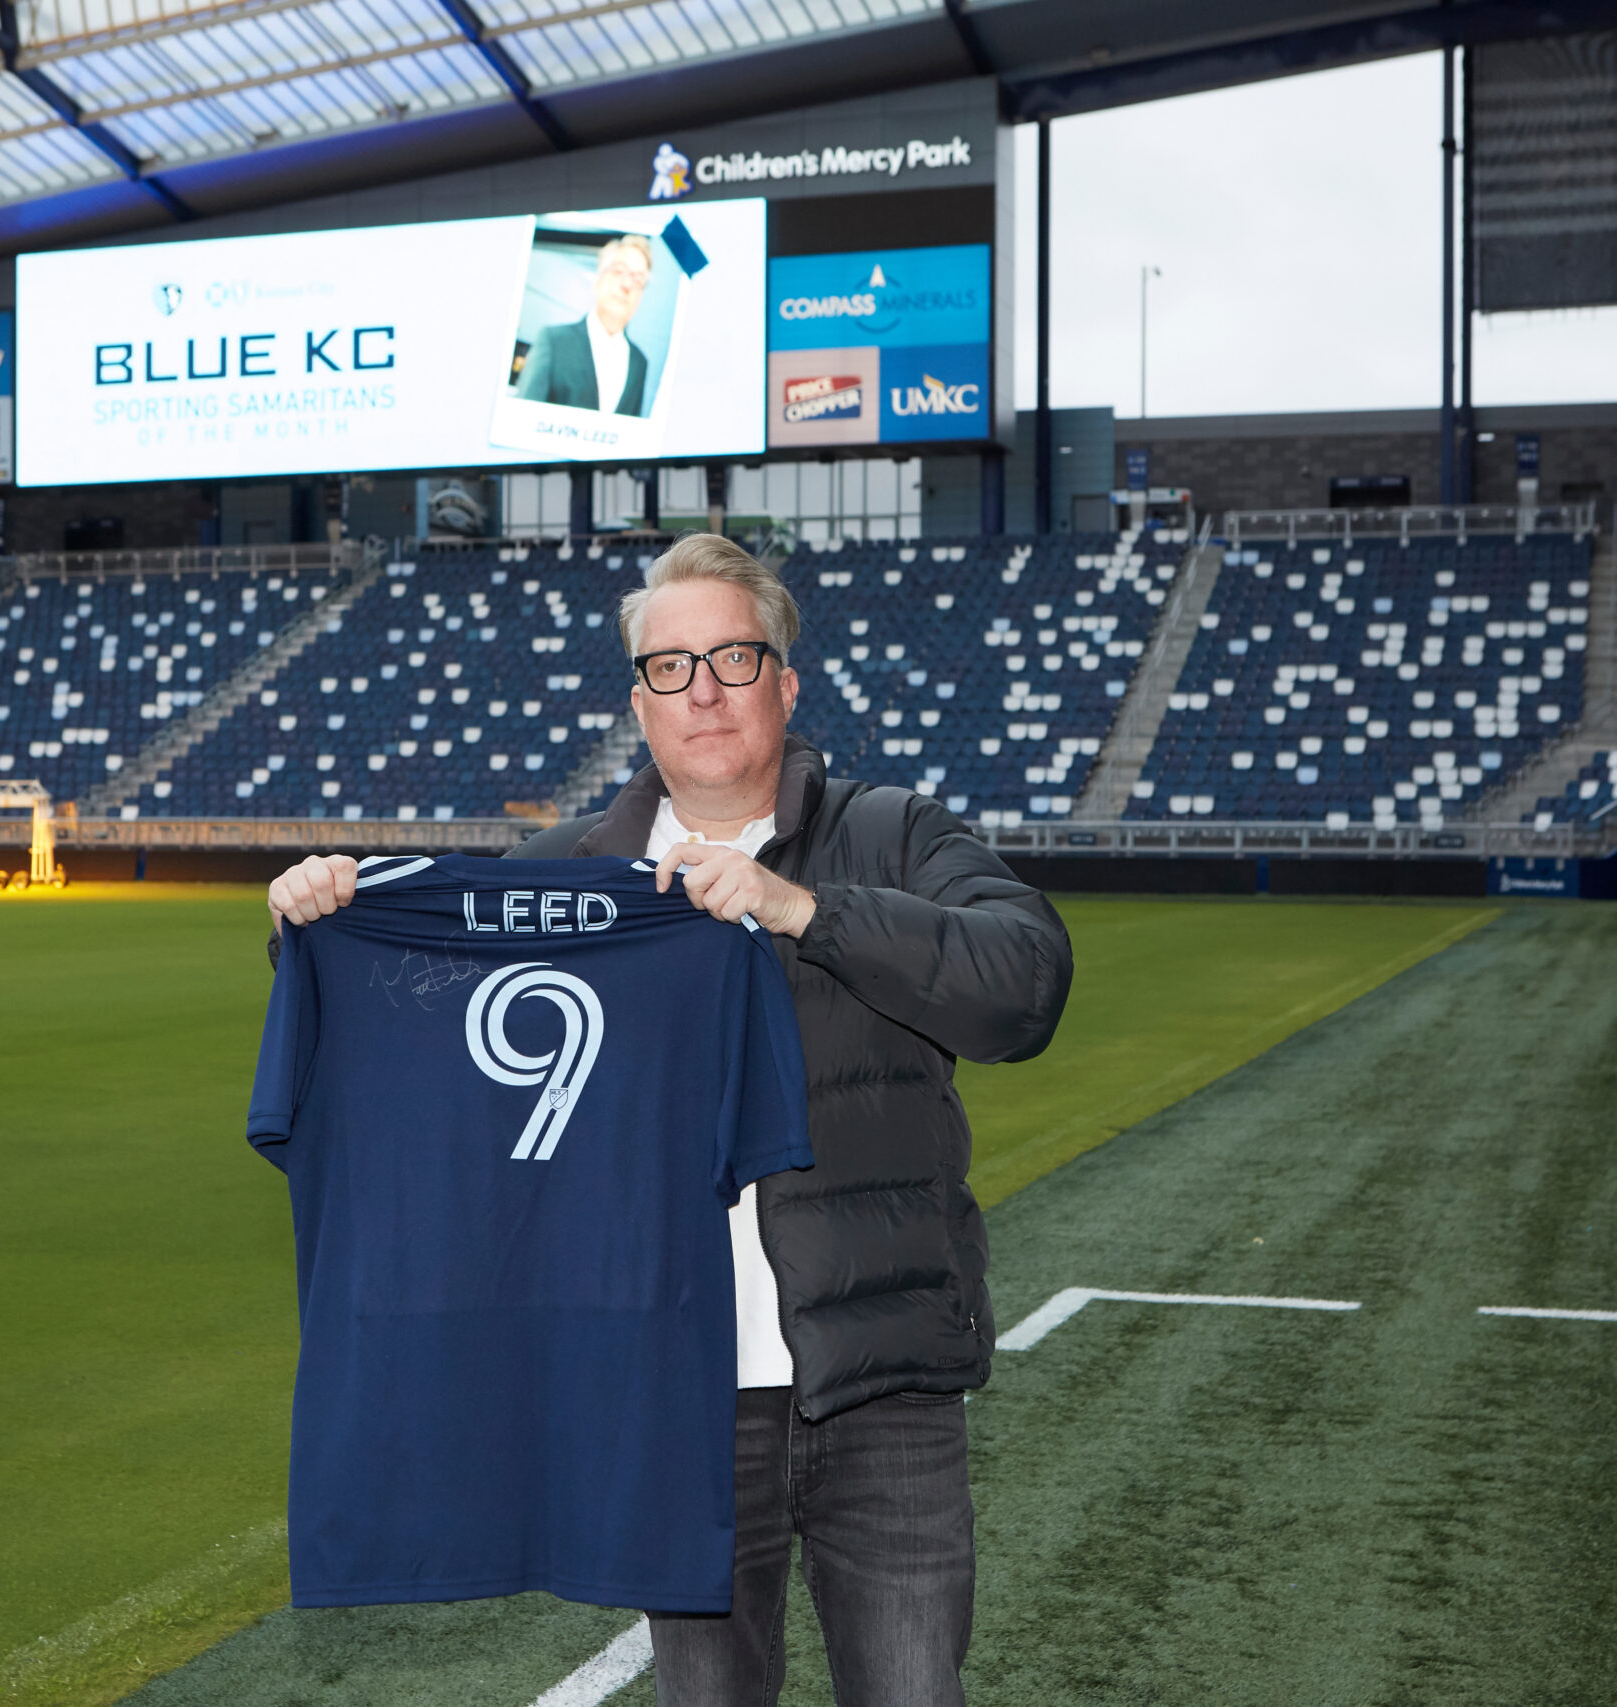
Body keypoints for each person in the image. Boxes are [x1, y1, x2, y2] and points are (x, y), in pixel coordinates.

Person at [269, 533, 1074, 1705]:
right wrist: (315, 921)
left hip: (879, 1382)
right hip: (670, 1396)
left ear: (784, 686)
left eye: (734, 659)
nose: (702, 691)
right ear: (638, 703)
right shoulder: (563, 874)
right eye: (670, 667)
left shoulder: (893, 832)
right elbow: (420, 1018)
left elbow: (1026, 986)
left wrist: (806, 911)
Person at [514, 234, 654, 416]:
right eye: (619, 271)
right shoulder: (554, 342)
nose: (627, 285)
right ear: (598, 280)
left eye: (638, 280)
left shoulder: (639, 363)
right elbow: (522, 419)